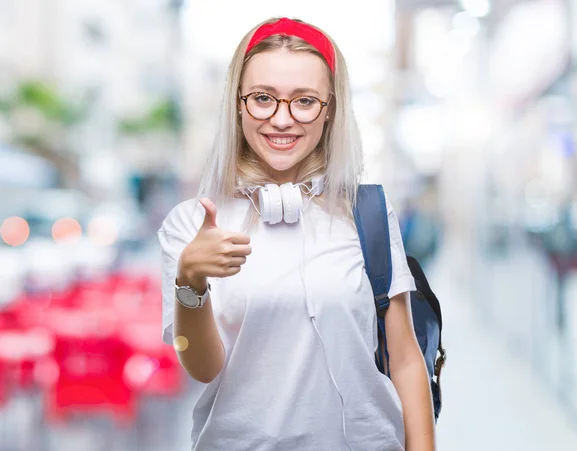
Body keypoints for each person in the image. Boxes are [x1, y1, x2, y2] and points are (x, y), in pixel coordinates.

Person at [157, 17, 436, 451]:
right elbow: (201, 366)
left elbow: (404, 359)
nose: (282, 120)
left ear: (330, 111)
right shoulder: (190, 224)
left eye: (304, 101)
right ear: (237, 104)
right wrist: (189, 281)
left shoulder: (367, 214)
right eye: (263, 98)